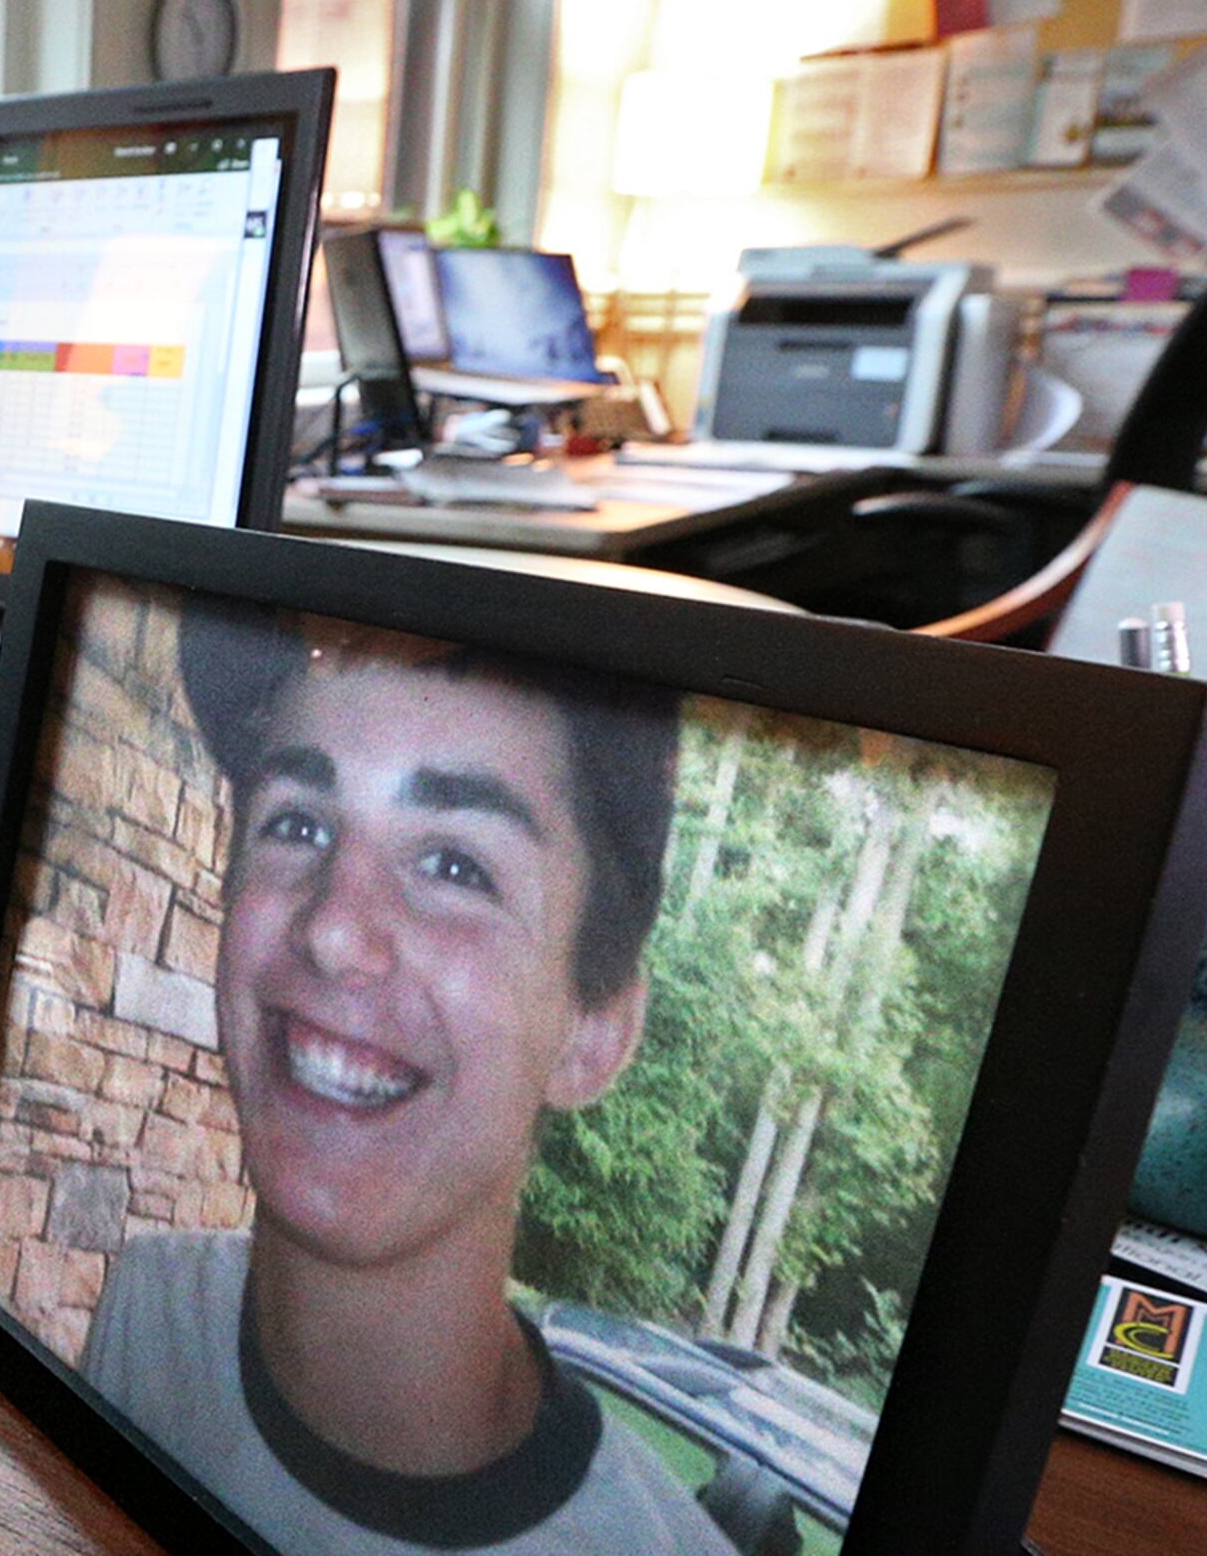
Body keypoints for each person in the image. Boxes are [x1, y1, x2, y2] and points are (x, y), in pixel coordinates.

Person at [74, 606, 731, 1555]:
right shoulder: (151, 1307)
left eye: (456, 865)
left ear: (593, 1031)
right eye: (297, 822)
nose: (334, 929)